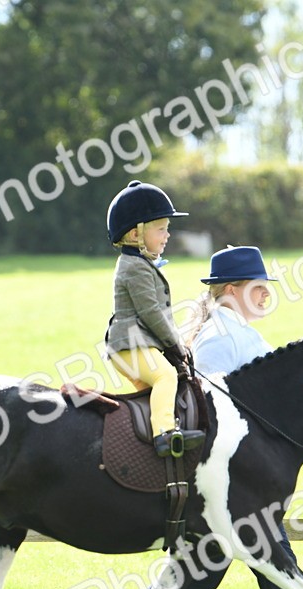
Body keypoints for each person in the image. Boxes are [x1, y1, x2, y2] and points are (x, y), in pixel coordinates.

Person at [84, 245, 303, 589]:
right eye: (257, 288)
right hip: (229, 482)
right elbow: (211, 409)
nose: (265, 295)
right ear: (232, 290)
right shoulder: (221, 339)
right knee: (276, 567)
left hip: (243, 478)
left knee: (200, 574)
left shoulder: (239, 331)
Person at [104, 180, 205, 457]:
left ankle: (142, 441)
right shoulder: (134, 267)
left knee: (152, 394)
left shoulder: (140, 263)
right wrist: (176, 344)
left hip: (136, 345)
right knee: (165, 376)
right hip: (130, 345)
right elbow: (151, 313)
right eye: (161, 229)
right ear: (136, 234)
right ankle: (165, 435)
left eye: (167, 229)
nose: (167, 235)